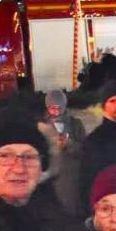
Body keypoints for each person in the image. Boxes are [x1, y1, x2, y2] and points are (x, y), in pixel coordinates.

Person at [37, 88, 89, 218]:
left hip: (70, 177)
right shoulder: (41, 125)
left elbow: (86, 149)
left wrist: (69, 144)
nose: (56, 111)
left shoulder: (75, 124)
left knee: (71, 213)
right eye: (52, 108)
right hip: (49, 176)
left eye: (59, 108)